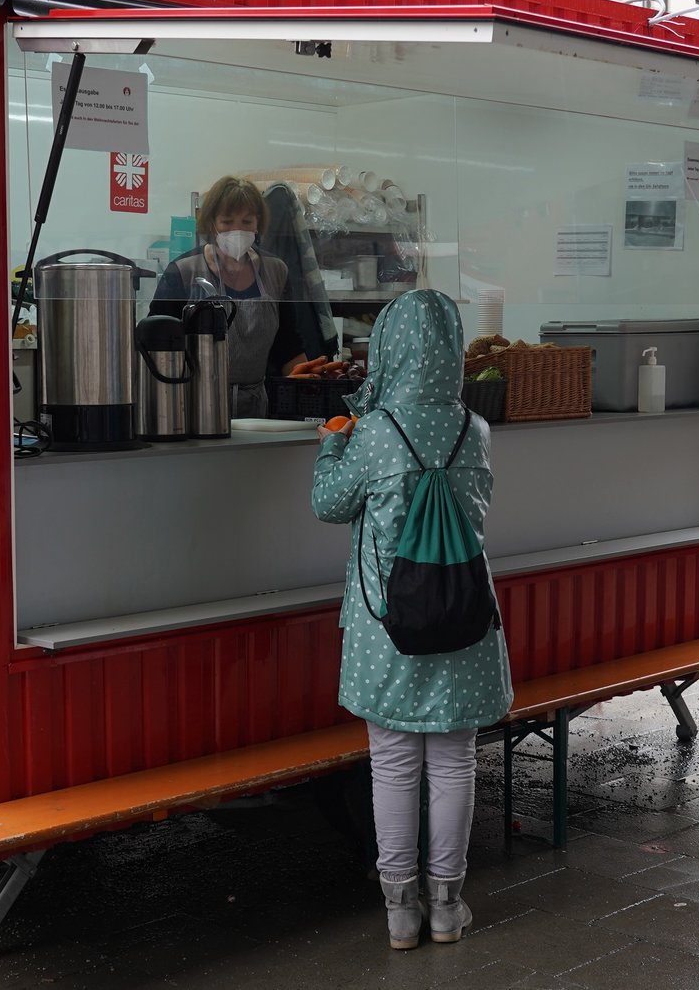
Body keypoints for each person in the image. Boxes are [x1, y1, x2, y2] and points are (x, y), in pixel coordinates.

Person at [310, 288, 512, 952]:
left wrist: (330, 447)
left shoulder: (372, 434)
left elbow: (329, 505)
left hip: (385, 626)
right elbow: (478, 510)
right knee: (454, 762)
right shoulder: (474, 429)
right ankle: (447, 906)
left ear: (391, 349)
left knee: (394, 764)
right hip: (461, 616)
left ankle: (400, 914)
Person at [150, 175, 308, 416]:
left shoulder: (276, 271)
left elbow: (290, 346)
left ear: (258, 223)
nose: (238, 230)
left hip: (257, 410)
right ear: (211, 223)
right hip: (196, 406)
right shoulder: (183, 271)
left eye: (247, 222)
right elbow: (157, 344)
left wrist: (308, 396)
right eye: (227, 222)